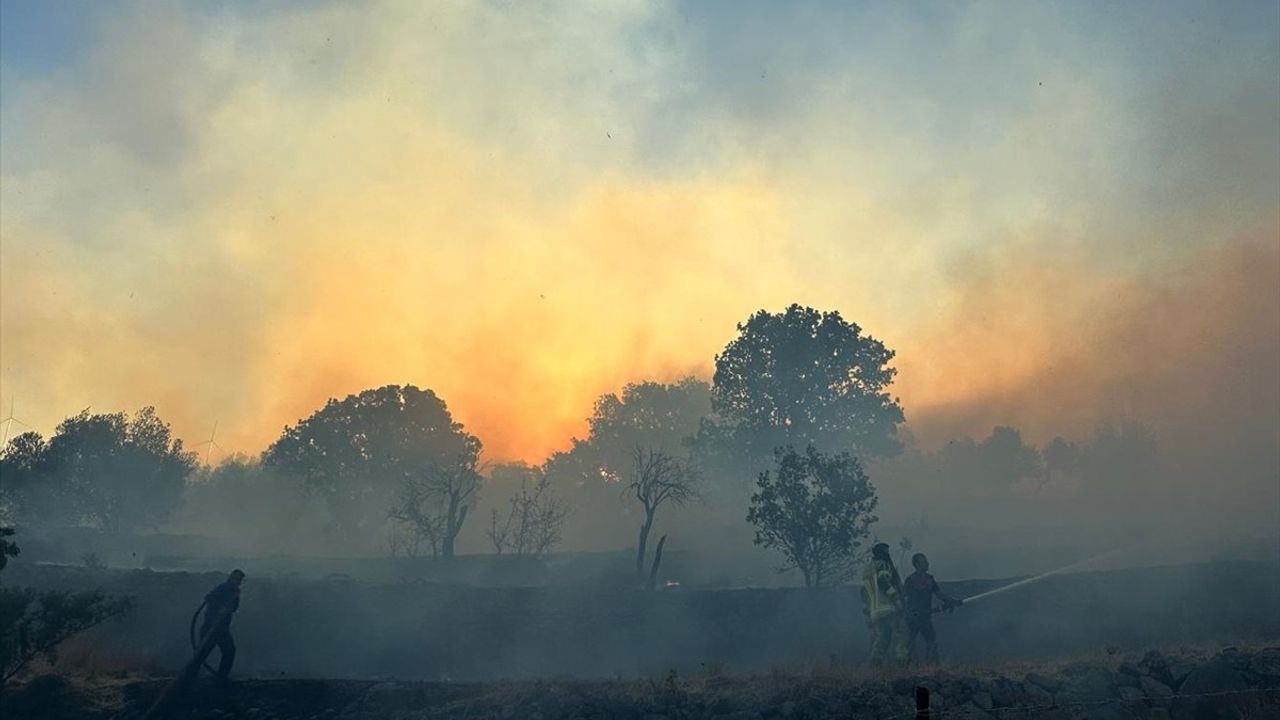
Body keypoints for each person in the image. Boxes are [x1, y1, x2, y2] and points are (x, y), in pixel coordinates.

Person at [903, 553, 962, 665]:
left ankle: (932, 668)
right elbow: (904, 599)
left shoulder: (930, 579)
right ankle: (905, 668)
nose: (927, 563)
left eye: (926, 561)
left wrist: (952, 601)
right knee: (908, 645)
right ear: (916, 564)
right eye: (924, 562)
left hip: (925, 618)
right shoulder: (910, 580)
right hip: (913, 618)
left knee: (932, 643)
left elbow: (939, 594)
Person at [861, 542, 907, 670]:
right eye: (887, 551)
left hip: (875, 611)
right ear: (882, 552)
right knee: (901, 634)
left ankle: (875, 666)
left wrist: (867, 614)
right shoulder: (884, 565)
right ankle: (902, 665)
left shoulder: (867, 570)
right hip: (888, 608)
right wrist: (897, 599)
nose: (888, 554)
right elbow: (883, 582)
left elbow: (863, 593)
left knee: (882, 638)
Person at [199, 569, 244, 679]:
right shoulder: (224, 588)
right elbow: (209, 597)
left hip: (221, 629)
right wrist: (220, 607)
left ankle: (221, 678)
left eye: (240, 580)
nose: (238, 582)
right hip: (211, 627)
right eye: (237, 579)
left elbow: (234, 608)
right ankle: (187, 679)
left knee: (229, 651)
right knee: (201, 655)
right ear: (231, 578)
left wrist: (235, 598)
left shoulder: (234, 592)